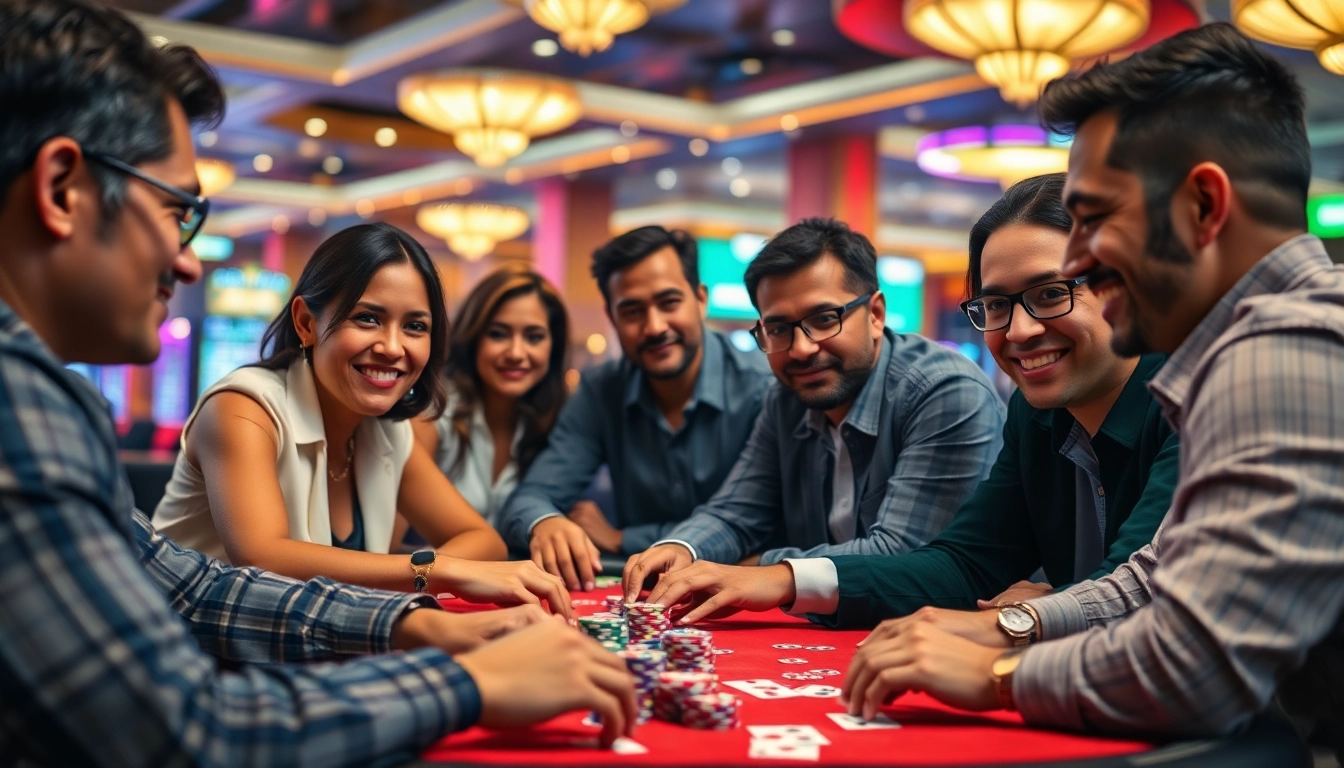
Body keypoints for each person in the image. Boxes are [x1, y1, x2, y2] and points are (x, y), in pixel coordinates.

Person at [0, 3, 635, 764]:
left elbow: (192, 588)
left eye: (417, 326)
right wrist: (459, 680)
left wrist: (414, 624)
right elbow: (182, 730)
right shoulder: (23, 406)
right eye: (178, 213)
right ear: (63, 188)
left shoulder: (47, 396)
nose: (188, 261)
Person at [838, 23, 1344, 752]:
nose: (1079, 259)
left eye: (1095, 219)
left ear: (1203, 205)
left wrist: (999, 673)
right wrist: (1018, 626)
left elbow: (1190, 667)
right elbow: (1155, 576)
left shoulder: (1282, 348)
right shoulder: (1264, 339)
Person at [640, 174, 1176, 628]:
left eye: (1051, 293)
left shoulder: (1187, 396)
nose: (1020, 330)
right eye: (995, 305)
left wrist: (1034, 616)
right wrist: (772, 575)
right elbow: (963, 566)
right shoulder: (1036, 412)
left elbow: (1139, 591)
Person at [152, 224, 569, 613]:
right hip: (192, 656)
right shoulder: (242, 409)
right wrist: (434, 570)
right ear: (306, 323)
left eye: (415, 326)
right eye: (367, 318)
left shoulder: (388, 432)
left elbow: (485, 541)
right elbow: (264, 560)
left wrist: (430, 568)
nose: (392, 347)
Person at [623, 217, 1006, 600]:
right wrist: (679, 549)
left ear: (875, 314)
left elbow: (903, 554)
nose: (801, 349)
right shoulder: (786, 398)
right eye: (778, 329)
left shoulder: (944, 391)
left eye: (824, 320)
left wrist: (762, 571)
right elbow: (735, 512)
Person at [498, 225, 774, 590]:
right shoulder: (601, 390)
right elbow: (529, 499)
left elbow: (761, 526)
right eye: (632, 311)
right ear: (612, 319)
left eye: (669, 303)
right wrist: (546, 522)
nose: (654, 326)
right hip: (637, 599)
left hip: (742, 600)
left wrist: (622, 538)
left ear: (700, 299)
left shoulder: (763, 388)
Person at [412, 263, 569, 528]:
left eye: (534, 337)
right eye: (498, 334)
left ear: (553, 348)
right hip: (427, 568)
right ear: (473, 338)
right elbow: (387, 541)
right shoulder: (431, 411)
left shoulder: (560, 422)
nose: (516, 353)